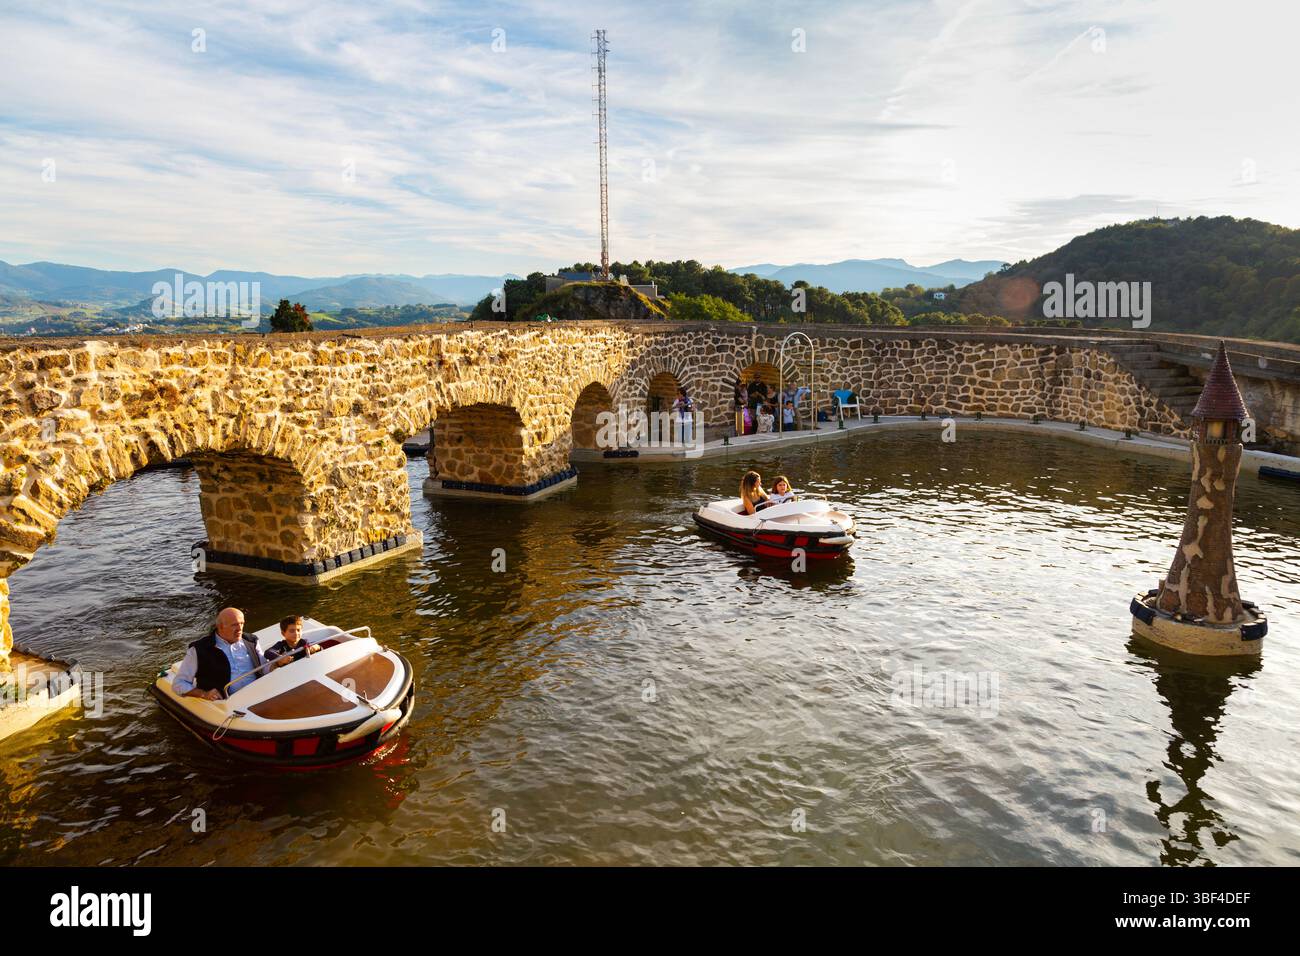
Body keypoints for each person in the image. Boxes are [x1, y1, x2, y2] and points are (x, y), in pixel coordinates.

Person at [172, 607, 266, 701]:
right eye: (234, 625)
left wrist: (277, 663)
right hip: (226, 704)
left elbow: (264, 667)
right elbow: (178, 683)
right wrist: (204, 694)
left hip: (259, 693)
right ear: (220, 627)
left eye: (242, 623)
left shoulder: (252, 641)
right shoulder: (199, 649)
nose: (240, 629)